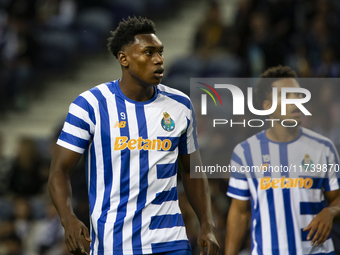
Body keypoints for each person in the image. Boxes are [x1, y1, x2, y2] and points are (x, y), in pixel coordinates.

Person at [48, 17, 219, 255]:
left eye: (160, 52)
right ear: (123, 58)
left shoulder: (180, 105)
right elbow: (59, 171)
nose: (159, 59)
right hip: (113, 244)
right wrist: (68, 219)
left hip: (171, 242)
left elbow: (191, 171)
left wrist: (207, 225)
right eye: (148, 53)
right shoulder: (90, 105)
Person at [225, 65, 340, 255]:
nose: (296, 101)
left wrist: (331, 212)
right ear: (267, 106)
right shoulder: (245, 152)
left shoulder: (323, 148)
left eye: (298, 95)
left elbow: (336, 198)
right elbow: (240, 212)